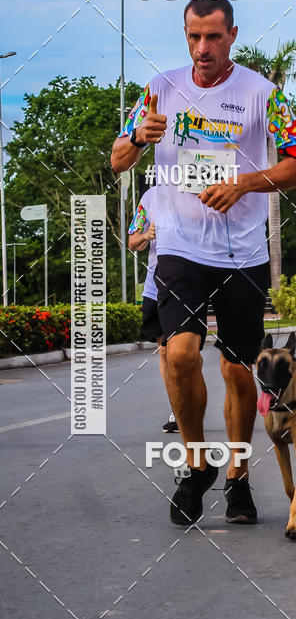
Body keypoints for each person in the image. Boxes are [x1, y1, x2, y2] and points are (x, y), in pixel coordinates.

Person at [111, 0, 296, 527]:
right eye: (193, 37)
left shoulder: (262, 94)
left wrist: (245, 183)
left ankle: (238, 480)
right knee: (179, 353)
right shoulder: (160, 89)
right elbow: (116, 161)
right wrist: (138, 137)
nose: (202, 48)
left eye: (213, 37)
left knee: (237, 369)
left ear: (232, 36)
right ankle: (198, 464)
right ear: (185, 36)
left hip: (242, 253)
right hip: (179, 245)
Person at [127, 185, 178, 433]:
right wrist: (147, 235)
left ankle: (189, 400)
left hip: (185, 285)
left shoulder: (194, 191)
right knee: (165, 353)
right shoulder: (149, 197)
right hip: (154, 286)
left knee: (184, 353)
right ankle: (177, 409)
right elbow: (132, 241)